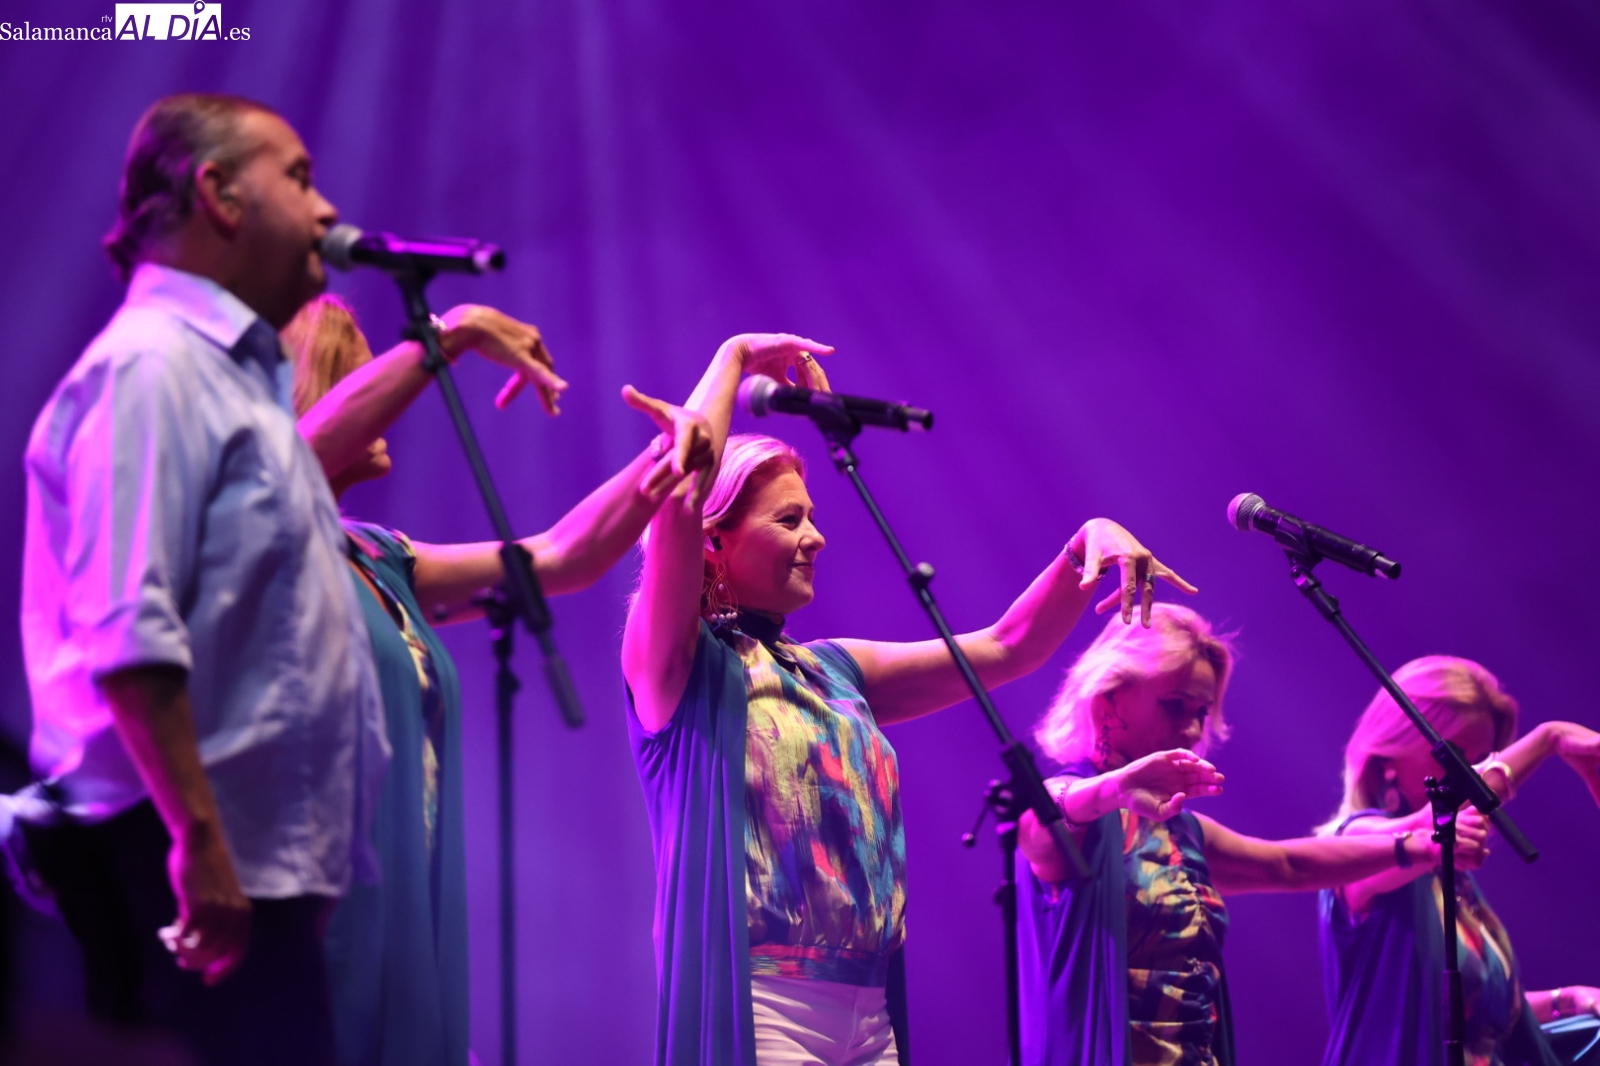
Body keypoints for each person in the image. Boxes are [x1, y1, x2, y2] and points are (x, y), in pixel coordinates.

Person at [622, 332, 1196, 1066]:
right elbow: (678, 492)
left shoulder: (834, 670)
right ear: (714, 542)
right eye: (789, 520)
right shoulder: (680, 669)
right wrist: (732, 359)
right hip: (763, 1004)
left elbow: (1007, 648)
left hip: (869, 1013)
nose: (816, 538)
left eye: (812, 517)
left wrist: (1084, 545)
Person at [16, 93, 383, 1066]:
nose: (325, 210)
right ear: (216, 192)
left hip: (244, 865)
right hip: (178, 865)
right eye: (298, 178)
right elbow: (127, 626)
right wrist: (199, 839)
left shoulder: (227, 379)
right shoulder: (152, 368)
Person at [283, 293, 714, 1066]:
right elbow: (284, 468)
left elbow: (561, 557)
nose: (394, 403)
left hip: (405, 908)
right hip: (318, 912)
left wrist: (668, 455)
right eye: (363, 377)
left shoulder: (380, 557)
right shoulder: (264, 540)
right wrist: (454, 335)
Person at [1014, 604, 1478, 1066]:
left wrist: (1416, 846)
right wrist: (1114, 788)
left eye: (1201, 712)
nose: (1193, 730)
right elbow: (1040, 819)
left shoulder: (1181, 832)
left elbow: (1289, 866)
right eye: (1174, 706)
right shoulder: (1077, 810)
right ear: (1109, 697)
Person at [1316, 656, 1600, 1066]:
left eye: (1480, 760)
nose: (1472, 778)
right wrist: (1548, 739)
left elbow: (1476, 1014)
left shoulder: (1448, 878)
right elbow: (1426, 825)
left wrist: (1565, 1000)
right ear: (1390, 756)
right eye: (1456, 759)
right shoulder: (1358, 844)